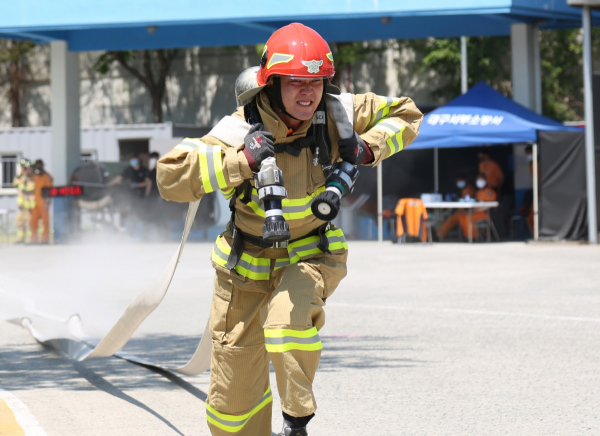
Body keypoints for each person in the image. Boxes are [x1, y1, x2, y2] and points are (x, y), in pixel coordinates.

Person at [157, 23, 422, 436]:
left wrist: (368, 148)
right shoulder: (238, 129)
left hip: (310, 254)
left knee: (287, 320)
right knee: (231, 411)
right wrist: (240, 161)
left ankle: (296, 423)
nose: (307, 93)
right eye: (296, 83)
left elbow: (407, 112)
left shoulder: (339, 112)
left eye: (315, 82)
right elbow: (169, 177)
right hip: (243, 269)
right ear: (272, 82)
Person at [439, 173, 497, 239]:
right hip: (475, 211)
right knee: (461, 215)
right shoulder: (478, 192)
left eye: (481, 179)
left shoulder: (490, 192)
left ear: (486, 180)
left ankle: (473, 237)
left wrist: (474, 211)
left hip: (485, 213)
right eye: (478, 179)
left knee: (468, 216)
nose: (479, 181)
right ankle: (465, 236)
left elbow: (488, 206)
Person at [436, 175, 476, 239]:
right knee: (450, 218)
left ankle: (439, 234)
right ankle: (438, 234)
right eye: (458, 180)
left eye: (461, 180)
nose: (459, 182)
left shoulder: (468, 189)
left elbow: (467, 202)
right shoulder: (460, 189)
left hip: (470, 211)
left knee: (457, 218)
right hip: (463, 211)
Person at [30, 159, 53, 244]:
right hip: (36, 203)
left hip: (43, 203)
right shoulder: (36, 177)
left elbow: (49, 191)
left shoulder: (47, 177)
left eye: (39, 167)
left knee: (45, 222)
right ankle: (34, 239)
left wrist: (47, 203)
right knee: (33, 221)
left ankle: (45, 239)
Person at [12, 159, 35, 243]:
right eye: (24, 168)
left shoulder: (34, 178)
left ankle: (31, 239)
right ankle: (20, 239)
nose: (27, 170)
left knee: (30, 221)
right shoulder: (22, 177)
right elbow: (15, 184)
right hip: (23, 204)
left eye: (28, 168)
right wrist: (19, 175)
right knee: (19, 220)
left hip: (32, 204)